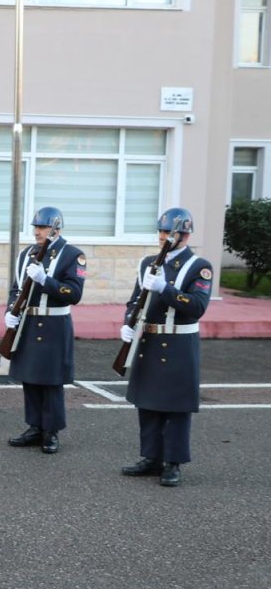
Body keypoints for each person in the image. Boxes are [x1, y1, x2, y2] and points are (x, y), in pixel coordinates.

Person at [119, 207, 211, 487]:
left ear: (185, 235)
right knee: (147, 403)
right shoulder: (148, 262)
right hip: (149, 338)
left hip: (178, 342)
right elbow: (135, 301)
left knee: (175, 406)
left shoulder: (198, 266)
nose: (163, 237)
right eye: (161, 232)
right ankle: (151, 457)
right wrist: (128, 323)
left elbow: (197, 307)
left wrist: (165, 288)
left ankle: (172, 462)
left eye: (169, 233)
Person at [5, 206, 85, 455]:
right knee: (30, 378)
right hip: (28, 323)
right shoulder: (26, 255)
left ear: (56, 229)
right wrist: (11, 311)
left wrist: (45, 281)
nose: (37, 231)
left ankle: (51, 431)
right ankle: (35, 426)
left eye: (42, 227)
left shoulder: (72, 255)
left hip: (53, 325)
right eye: (36, 227)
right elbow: (16, 289)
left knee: (50, 381)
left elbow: (74, 293)